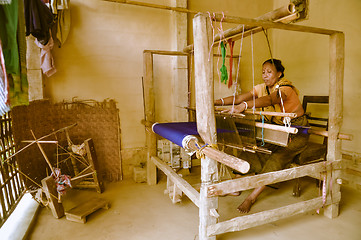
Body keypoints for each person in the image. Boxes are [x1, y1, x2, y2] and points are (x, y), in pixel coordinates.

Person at [214, 59, 309, 213]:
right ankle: (236, 186)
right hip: (277, 131)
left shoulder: (285, 88)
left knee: (277, 159)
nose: (265, 75)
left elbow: (272, 99)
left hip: (296, 133)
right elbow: (239, 98)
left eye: (269, 72)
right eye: (263, 72)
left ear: (279, 74)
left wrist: (245, 106)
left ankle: (251, 197)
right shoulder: (262, 88)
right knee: (254, 151)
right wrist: (214, 102)